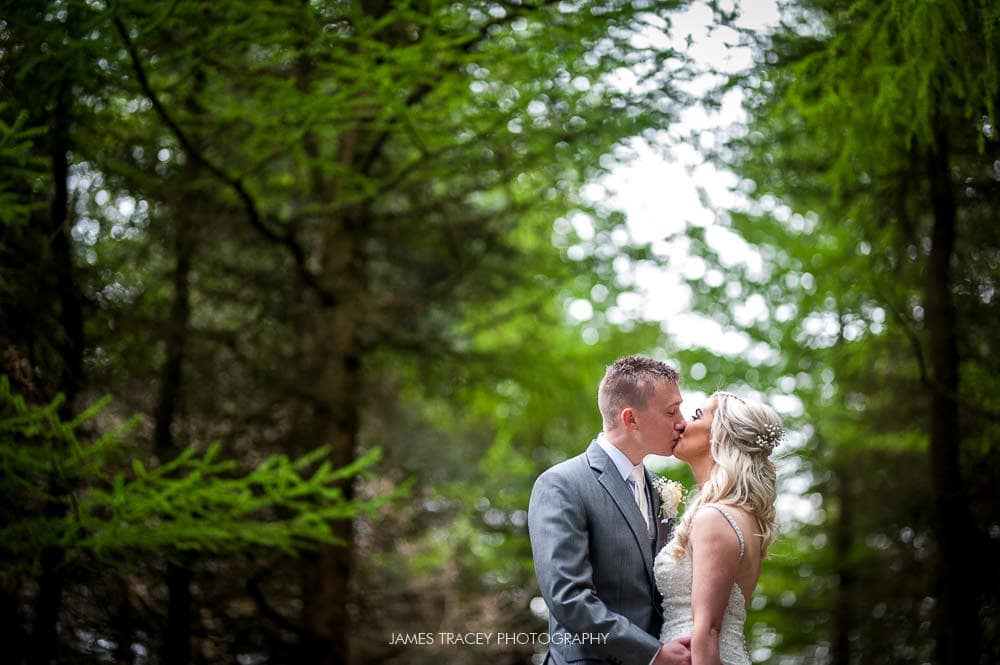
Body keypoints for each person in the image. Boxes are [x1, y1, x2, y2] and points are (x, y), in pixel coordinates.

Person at [528, 355, 693, 665]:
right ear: (630, 419)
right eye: (671, 411)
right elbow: (569, 599)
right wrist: (652, 654)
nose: (682, 422)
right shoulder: (562, 484)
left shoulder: (660, 489)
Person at [654, 391, 782, 665]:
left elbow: (709, 631)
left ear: (720, 435)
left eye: (697, 416)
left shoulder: (715, 517)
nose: (682, 424)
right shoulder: (743, 515)